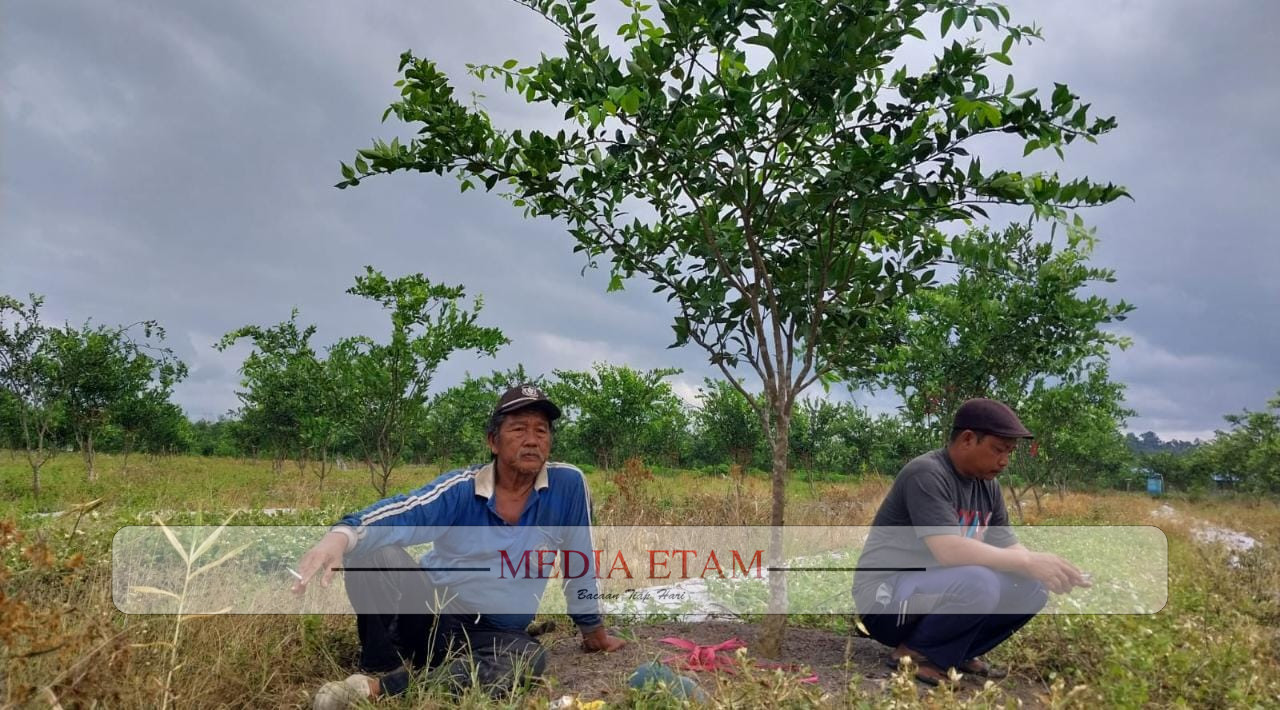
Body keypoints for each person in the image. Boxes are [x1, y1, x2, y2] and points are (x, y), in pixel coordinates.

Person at [293, 384, 626, 708]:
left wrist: (592, 630)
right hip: (431, 612)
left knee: (529, 656)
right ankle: (382, 663)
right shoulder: (462, 488)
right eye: (519, 429)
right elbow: (406, 511)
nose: (531, 440)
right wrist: (342, 536)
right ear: (493, 441)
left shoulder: (568, 485)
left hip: (495, 632)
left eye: (541, 431)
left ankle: (377, 689)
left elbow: (579, 560)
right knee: (375, 551)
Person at [852, 398, 1091, 685]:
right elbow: (948, 551)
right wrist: (1027, 561)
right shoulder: (927, 474)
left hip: (934, 589)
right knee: (979, 581)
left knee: (1031, 588)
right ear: (967, 439)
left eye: (1010, 452)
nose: (1004, 461)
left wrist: (1046, 568)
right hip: (885, 598)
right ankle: (914, 654)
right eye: (998, 450)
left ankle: (954, 651)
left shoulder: (988, 486)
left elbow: (1009, 546)